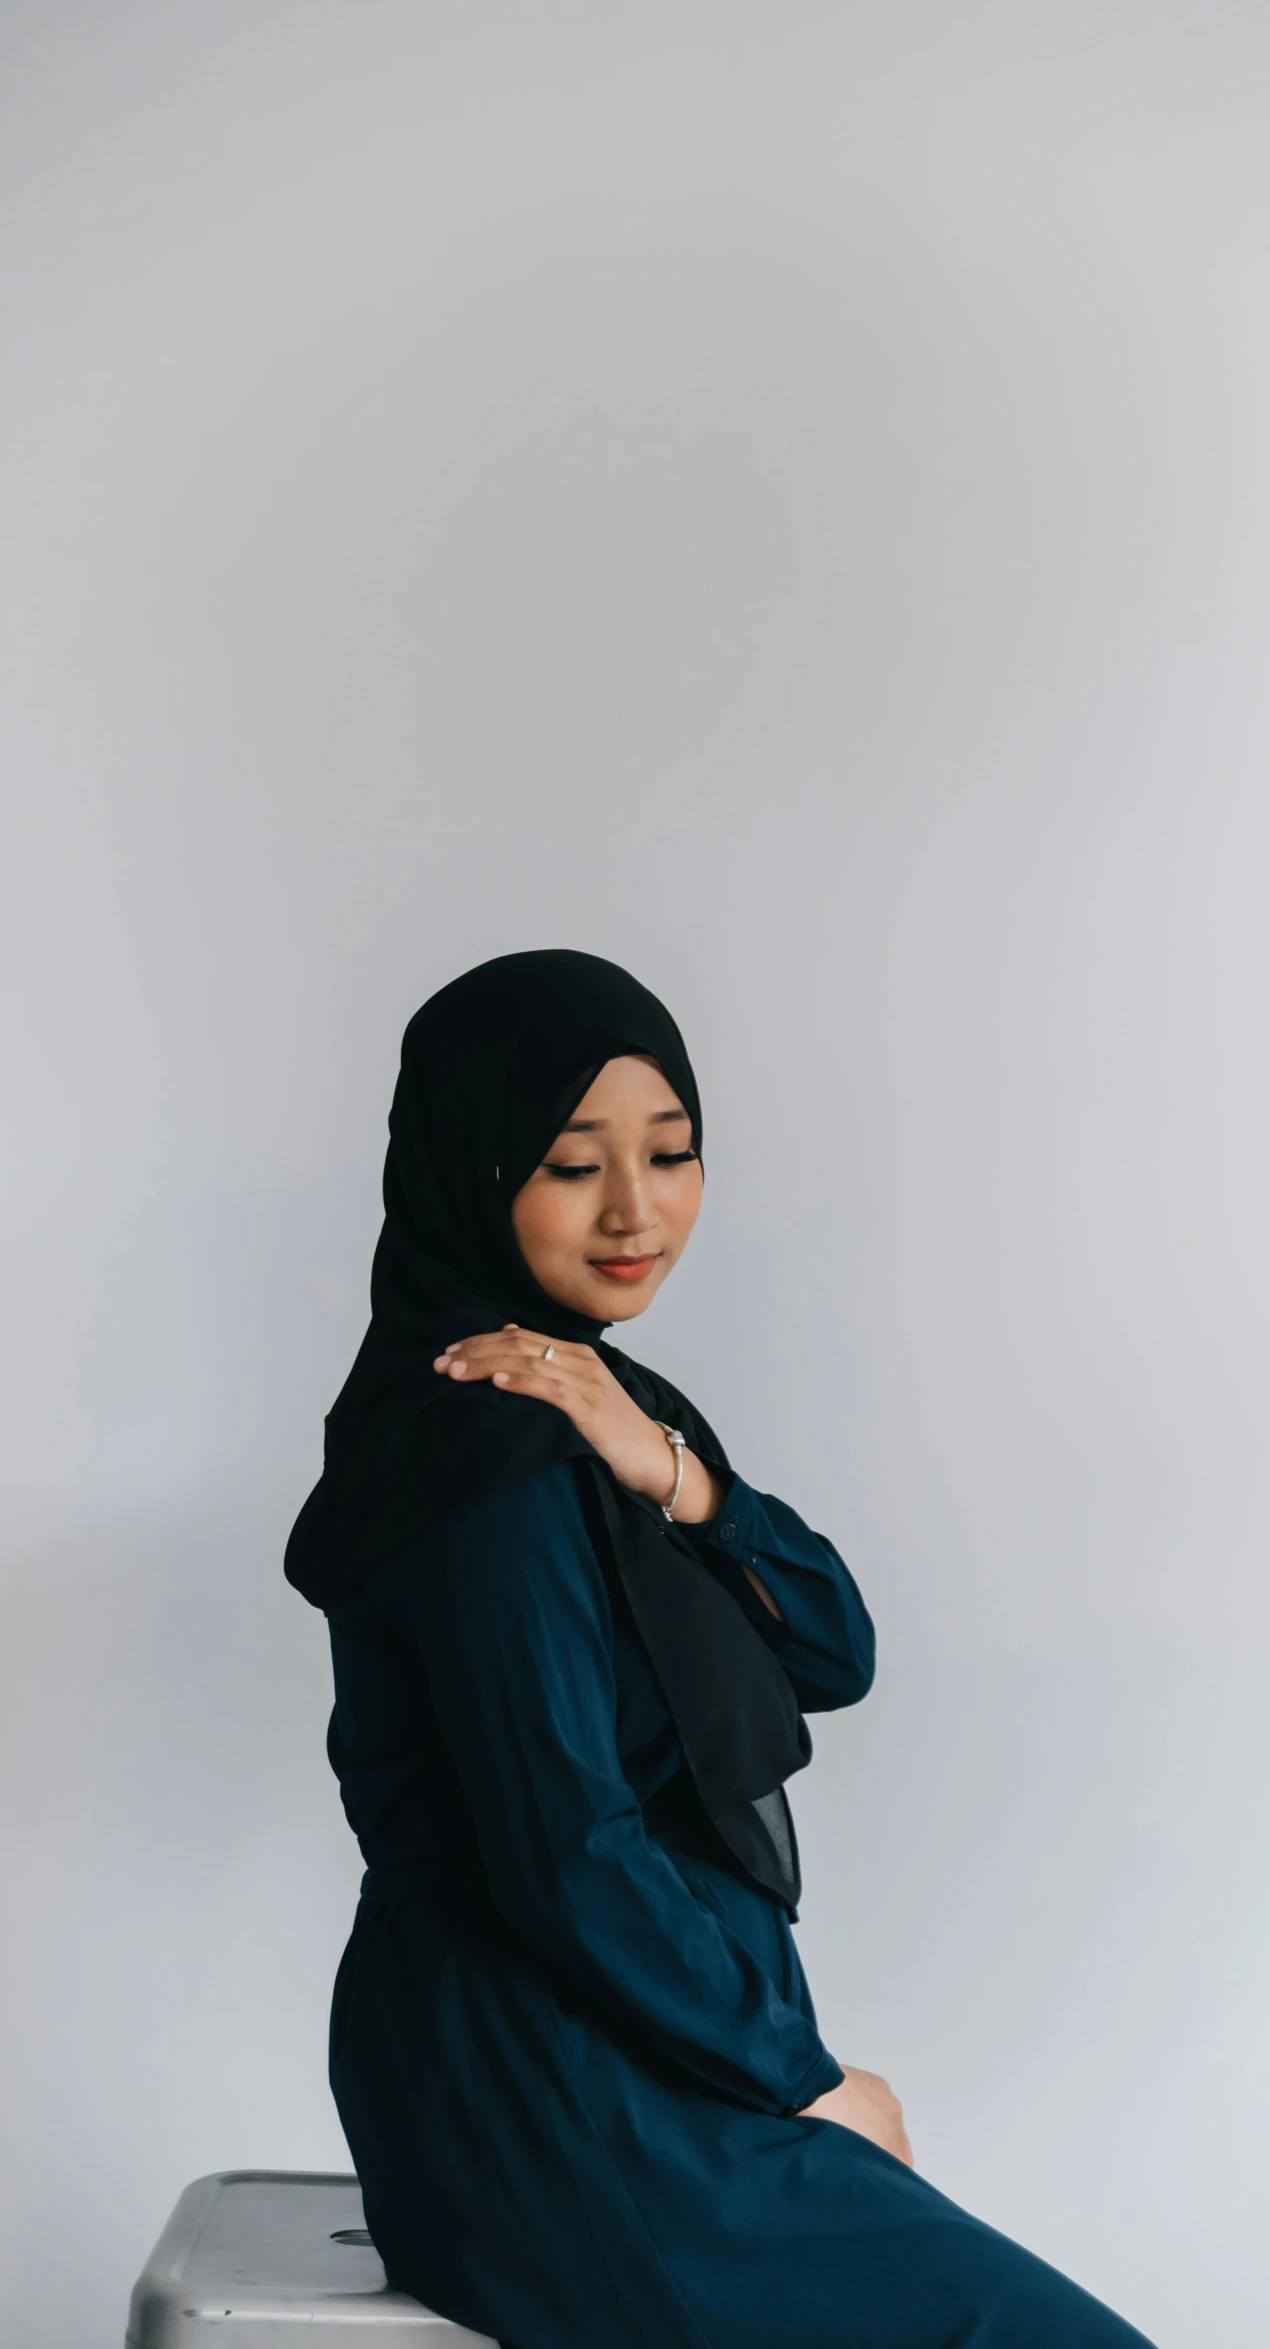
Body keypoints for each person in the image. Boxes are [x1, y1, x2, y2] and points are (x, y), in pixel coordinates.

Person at [286, 950, 1157, 2349]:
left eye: (673, 1151)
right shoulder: (488, 1443)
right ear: (474, 1167)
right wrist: (803, 2080)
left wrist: (678, 1477)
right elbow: (568, 1851)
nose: (638, 1210)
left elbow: (832, 1646)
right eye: (573, 1165)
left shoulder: (597, 1405)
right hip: (549, 2075)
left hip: (624, 2037)